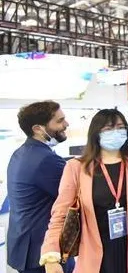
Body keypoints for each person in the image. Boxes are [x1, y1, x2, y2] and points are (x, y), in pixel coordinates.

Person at [40, 109, 128, 273]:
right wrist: (51, 254)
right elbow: (60, 213)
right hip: (94, 251)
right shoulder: (76, 167)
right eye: (108, 129)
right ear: (96, 133)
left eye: (120, 127)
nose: (115, 132)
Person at [6, 101, 74, 273]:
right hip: (43, 252)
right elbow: (76, 194)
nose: (66, 124)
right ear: (38, 128)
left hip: (24, 246)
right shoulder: (45, 159)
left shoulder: (22, 153)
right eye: (60, 121)